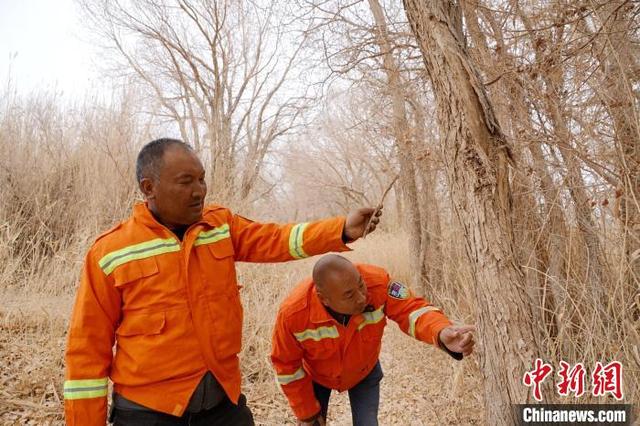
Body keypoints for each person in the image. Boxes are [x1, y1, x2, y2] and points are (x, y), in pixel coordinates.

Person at [64, 138, 382, 426]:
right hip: (147, 414)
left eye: (201, 179)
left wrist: (342, 230)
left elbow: (278, 239)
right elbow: (86, 353)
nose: (199, 190)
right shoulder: (110, 252)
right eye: (186, 181)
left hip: (222, 406)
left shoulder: (219, 226)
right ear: (149, 188)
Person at [271, 255, 475, 426]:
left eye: (361, 285)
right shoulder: (293, 314)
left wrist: (440, 331)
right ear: (324, 298)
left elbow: (411, 309)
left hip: (364, 372)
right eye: (349, 295)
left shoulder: (378, 282)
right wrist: (306, 412)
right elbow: (287, 366)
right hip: (315, 377)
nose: (361, 297)